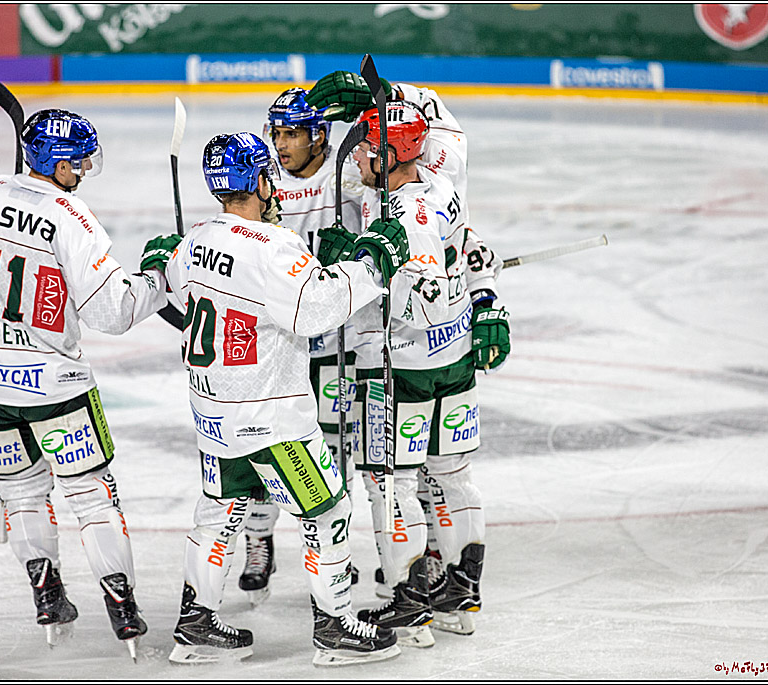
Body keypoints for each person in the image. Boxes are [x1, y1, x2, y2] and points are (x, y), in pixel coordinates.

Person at [0, 108, 173, 658]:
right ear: (56, 164)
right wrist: (161, 277)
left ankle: (47, 594)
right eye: (78, 162)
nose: (83, 171)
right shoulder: (70, 217)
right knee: (91, 498)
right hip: (54, 390)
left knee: (19, 495)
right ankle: (122, 608)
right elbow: (111, 312)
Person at [157, 131, 410, 666]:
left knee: (218, 514)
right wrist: (370, 265)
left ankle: (196, 623)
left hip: (214, 417)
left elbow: (174, 292)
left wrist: (160, 260)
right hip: (273, 420)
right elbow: (317, 311)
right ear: (257, 180)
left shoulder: (197, 238)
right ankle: (336, 625)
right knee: (328, 511)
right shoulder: (274, 246)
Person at [307, 80, 510, 647]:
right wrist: (486, 299)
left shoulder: (401, 210)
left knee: (389, 479)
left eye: (371, 148)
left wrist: (354, 265)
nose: (362, 157)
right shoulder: (442, 185)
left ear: (393, 153)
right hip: (456, 357)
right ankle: (461, 595)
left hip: (404, 367)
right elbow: (476, 251)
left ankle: (411, 601)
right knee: (452, 472)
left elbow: (413, 292)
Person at [234, 87, 368, 606]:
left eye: (292, 132)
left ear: (320, 134)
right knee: (267, 450)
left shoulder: (350, 172)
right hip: (280, 347)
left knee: (337, 452)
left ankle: (337, 553)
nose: (282, 143)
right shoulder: (262, 180)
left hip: (341, 343)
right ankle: (258, 540)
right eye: (277, 132)